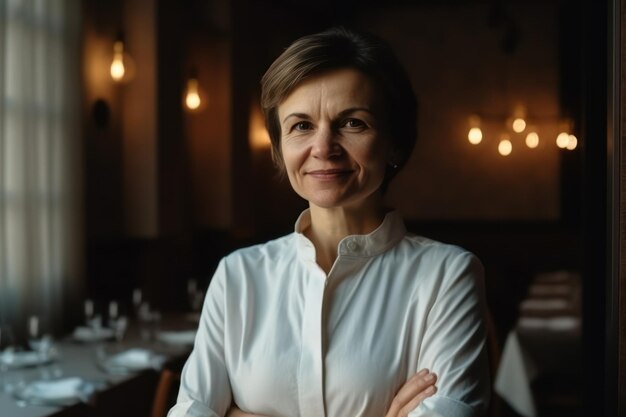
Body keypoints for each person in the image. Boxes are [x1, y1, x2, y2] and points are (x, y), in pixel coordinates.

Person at [168, 27, 490, 417]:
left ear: (395, 142)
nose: (323, 148)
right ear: (278, 149)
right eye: (301, 126)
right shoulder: (238, 275)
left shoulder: (448, 275)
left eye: (353, 123)